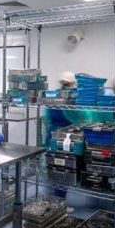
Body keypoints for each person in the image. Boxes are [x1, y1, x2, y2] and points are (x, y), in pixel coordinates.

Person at [44, 72, 77, 200]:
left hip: (52, 134)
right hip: (64, 137)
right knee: (63, 166)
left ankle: (53, 197)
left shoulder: (54, 95)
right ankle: (60, 201)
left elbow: (47, 117)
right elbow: (74, 117)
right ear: (72, 83)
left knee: (53, 164)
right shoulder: (71, 97)